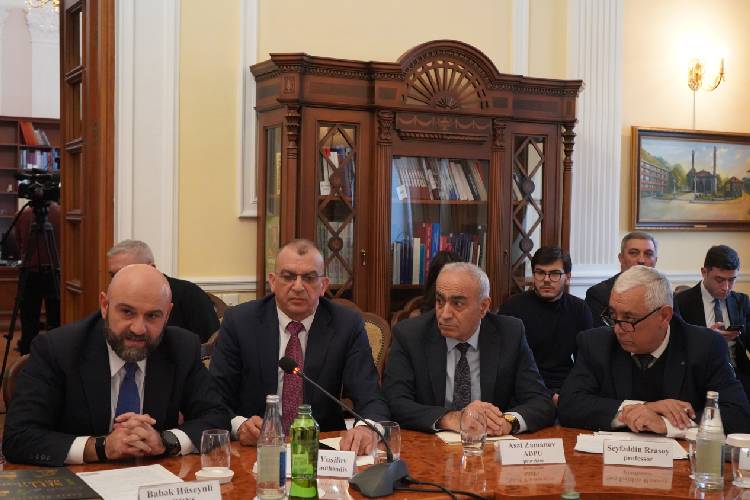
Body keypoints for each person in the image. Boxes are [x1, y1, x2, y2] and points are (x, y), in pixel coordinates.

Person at [2, 264, 229, 466]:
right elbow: (19, 437)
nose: (138, 328)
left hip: (155, 482)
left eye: (152, 316)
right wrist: (100, 447)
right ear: (104, 305)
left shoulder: (181, 347)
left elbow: (216, 416)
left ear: (167, 314)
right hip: (78, 482)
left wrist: (165, 441)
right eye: (127, 312)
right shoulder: (57, 350)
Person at [209, 239, 389, 455]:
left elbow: (370, 397)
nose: (297, 286)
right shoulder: (240, 322)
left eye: (309, 278)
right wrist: (239, 425)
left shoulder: (346, 324)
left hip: (323, 447)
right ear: (273, 282)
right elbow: (214, 397)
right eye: (288, 277)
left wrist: (366, 428)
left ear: (323, 285)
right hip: (255, 449)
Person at [559, 266, 750, 436]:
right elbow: (569, 405)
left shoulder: (704, 346)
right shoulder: (596, 343)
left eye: (629, 318)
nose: (617, 328)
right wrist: (643, 408)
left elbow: (738, 414)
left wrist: (667, 424)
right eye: (613, 315)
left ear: (664, 316)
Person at [383, 262, 555, 435]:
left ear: (483, 307)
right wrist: (451, 418)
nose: (444, 314)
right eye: (440, 301)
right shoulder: (410, 335)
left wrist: (507, 422)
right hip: (431, 443)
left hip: (490, 444)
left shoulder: (510, 334)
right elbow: (395, 402)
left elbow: (540, 401)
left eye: (457, 304)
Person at [498, 246, 592, 400]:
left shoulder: (579, 309)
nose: (546, 279)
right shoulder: (513, 307)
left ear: (567, 277)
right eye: (540, 273)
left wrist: (568, 394)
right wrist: (547, 395)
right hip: (523, 387)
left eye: (554, 274)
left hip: (565, 387)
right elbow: (506, 364)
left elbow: (585, 363)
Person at [674, 245, 750, 401]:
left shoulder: (741, 301)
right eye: (719, 280)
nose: (726, 287)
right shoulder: (681, 302)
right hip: (697, 377)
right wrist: (707, 338)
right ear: (704, 272)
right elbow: (675, 346)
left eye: (732, 280)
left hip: (738, 375)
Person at [107, 239, 219, 342]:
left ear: (152, 268)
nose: (118, 281)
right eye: (113, 275)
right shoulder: (113, 297)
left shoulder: (189, 294)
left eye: (126, 273)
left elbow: (211, 343)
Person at [14, 200, 61, 354]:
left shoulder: (23, 214)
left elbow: (19, 243)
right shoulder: (61, 213)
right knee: (56, 321)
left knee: (28, 321)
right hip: (55, 271)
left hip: (30, 272)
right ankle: (56, 356)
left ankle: (27, 356)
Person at [586, 231, 658, 327]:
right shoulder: (599, 294)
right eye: (633, 253)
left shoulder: (664, 293)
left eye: (648, 254)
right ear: (621, 258)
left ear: (655, 260)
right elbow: (600, 334)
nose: (641, 260)